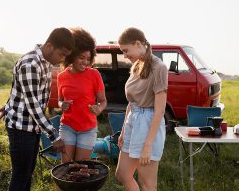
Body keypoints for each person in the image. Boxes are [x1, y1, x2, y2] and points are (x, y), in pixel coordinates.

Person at [0, 27, 75, 191]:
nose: (61, 60)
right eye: (62, 54)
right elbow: (33, 105)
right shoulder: (30, 64)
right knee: (20, 175)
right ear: (50, 46)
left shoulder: (46, 62)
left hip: (33, 127)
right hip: (21, 128)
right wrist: (54, 136)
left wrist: (4, 107)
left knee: (27, 173)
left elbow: (20, 92)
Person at [115, 27, 168, 191]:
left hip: (148, 126)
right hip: (133, 122)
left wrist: (147, 146)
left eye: (125, 50)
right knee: (122, 174)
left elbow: (159, 111)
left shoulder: (159, 67)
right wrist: (124, 131)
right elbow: (132, 103)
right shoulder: (137, 65)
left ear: (137, 44)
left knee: (147, 184)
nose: (124, 55)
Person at [57, 27, 107, 163]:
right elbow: (59, 100)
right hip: (67, 126)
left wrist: (99, 109)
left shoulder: (94, 74)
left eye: (88, 59)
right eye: (81, 57)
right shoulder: (61, 76)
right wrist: (62, 105)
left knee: (81, 167)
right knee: (66, 165)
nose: (85, 62)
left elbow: (103, 101)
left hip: (88, 129)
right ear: (72, 55)